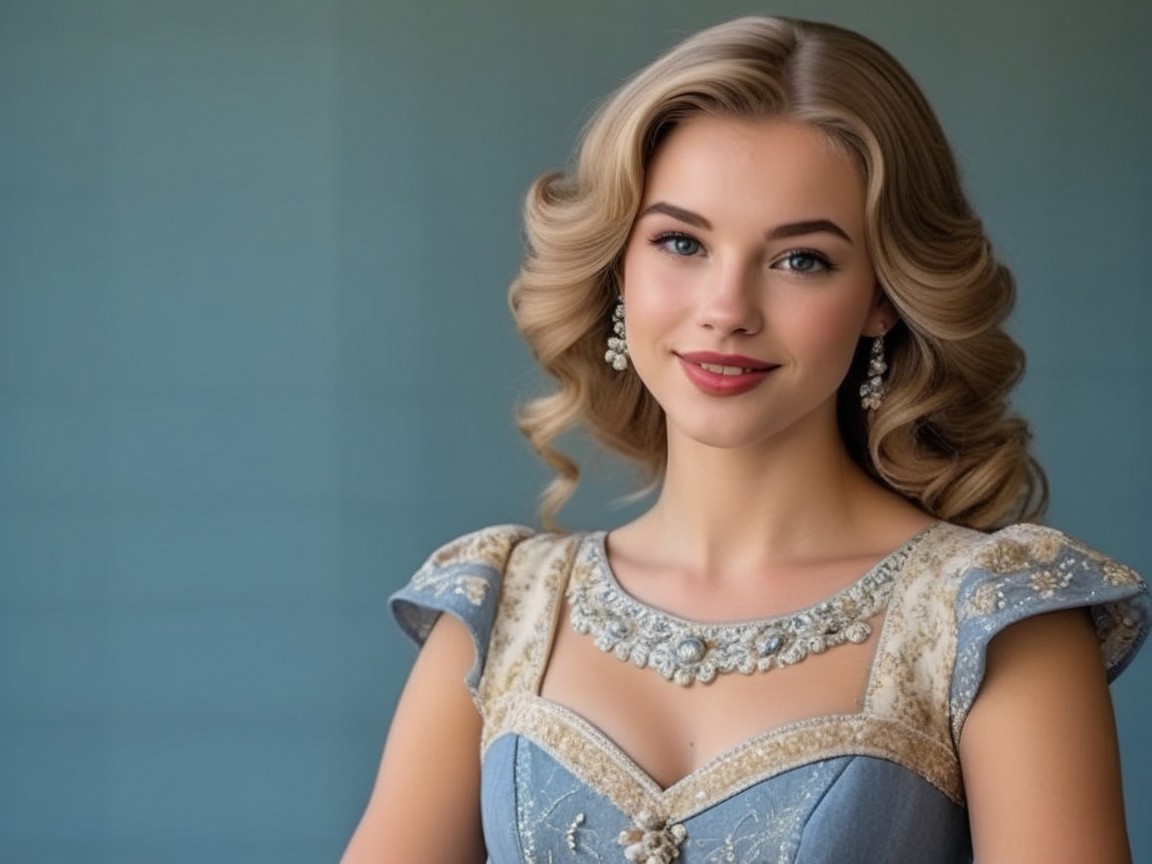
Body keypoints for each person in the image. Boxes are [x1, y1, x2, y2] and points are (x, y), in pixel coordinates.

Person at [341, 16, 1149, 863]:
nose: (727, 308)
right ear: (621, 266)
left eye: (802, 259)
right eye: (681, 242)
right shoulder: (498, 611)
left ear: (883, 296)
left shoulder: (992, 620)